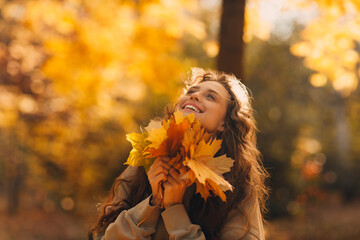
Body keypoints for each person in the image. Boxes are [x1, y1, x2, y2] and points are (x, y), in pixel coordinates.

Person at [88, 67, 269, 240]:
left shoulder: (237, 184)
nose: (195, 95)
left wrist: (174, 209)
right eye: (191, 92)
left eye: (211, 97)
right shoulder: (145, 161)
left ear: (224, 123)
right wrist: (153, 202)